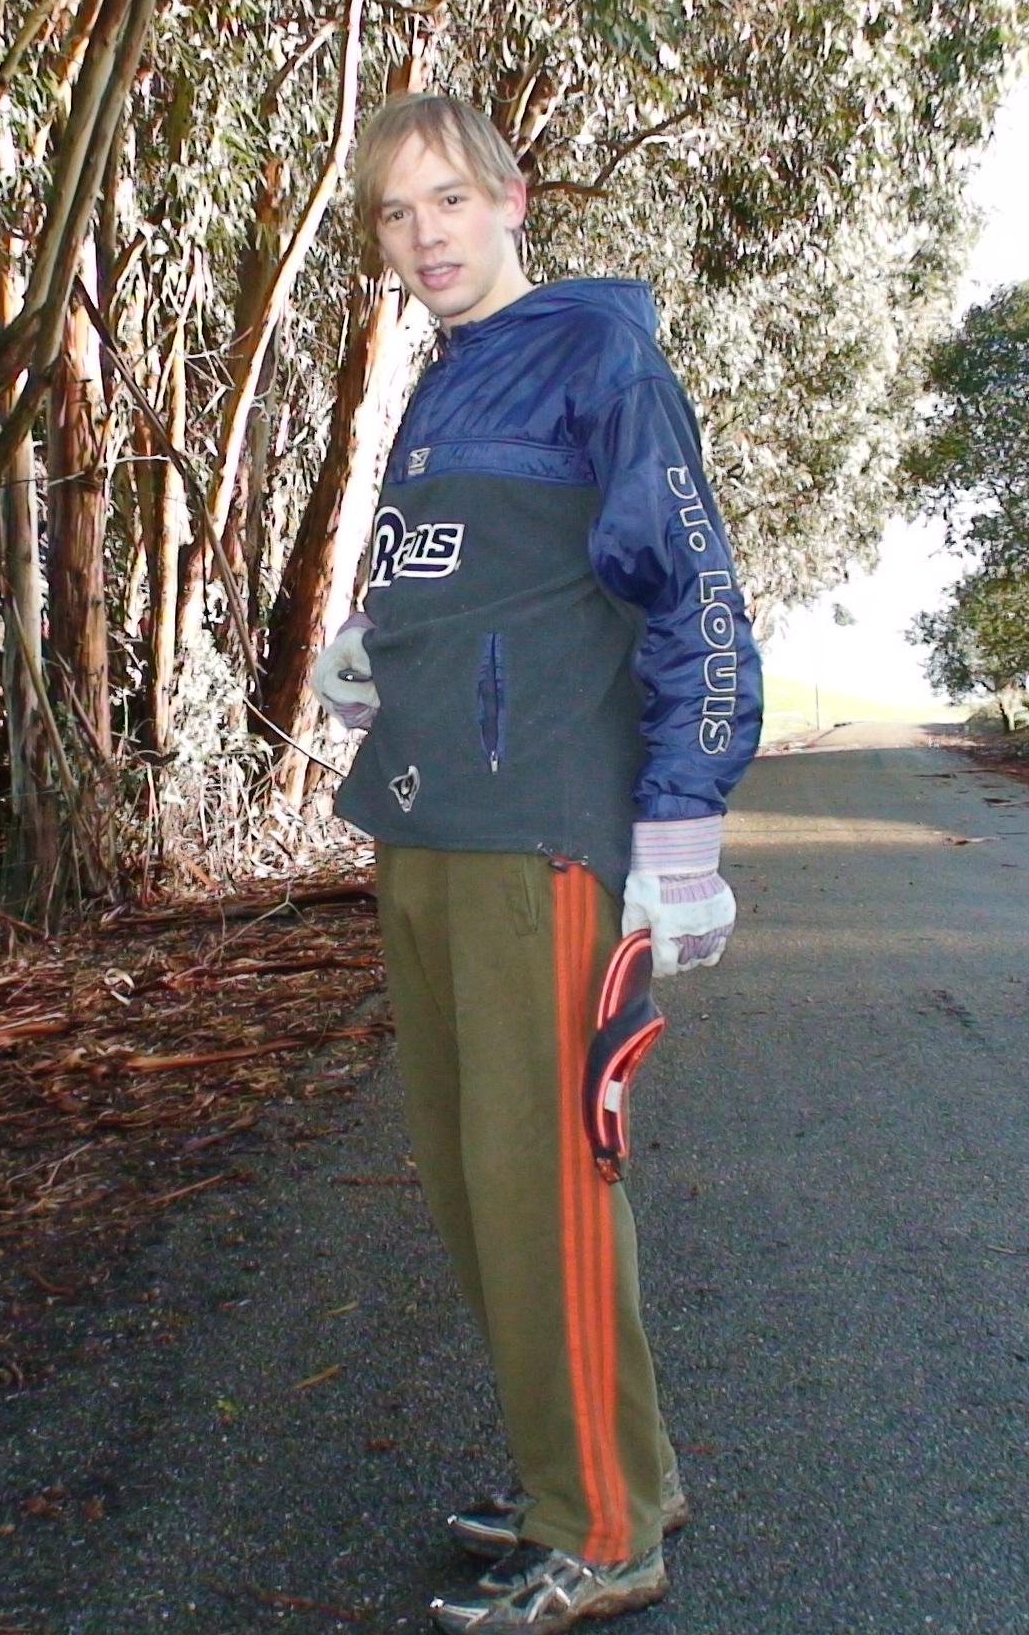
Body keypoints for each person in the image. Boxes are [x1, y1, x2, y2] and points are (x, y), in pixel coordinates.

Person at [308, 92, 763, 1634]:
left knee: (545, 1182)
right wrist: (376, 651)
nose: (421, 233)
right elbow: (471, 581)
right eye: (392, 212)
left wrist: (684, 835)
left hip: (539, 837)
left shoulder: (597, 355)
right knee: (470, 1180)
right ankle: (598, 1466)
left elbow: (691, 595)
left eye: (446, 200)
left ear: (511, 201)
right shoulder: (440, 390)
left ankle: (606, 1531)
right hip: (426, 823)